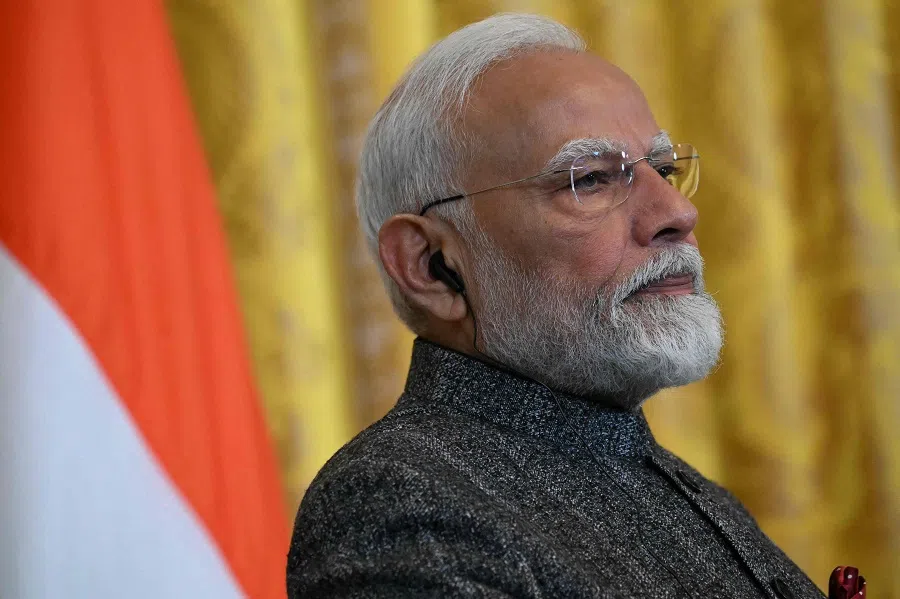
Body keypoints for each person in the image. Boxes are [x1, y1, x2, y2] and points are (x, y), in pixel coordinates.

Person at [288, 13, 823, 599]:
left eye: (664, 169)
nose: (676, 212)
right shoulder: (402, 501)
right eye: (591, 179)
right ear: (429, 265)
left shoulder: (689, 490)